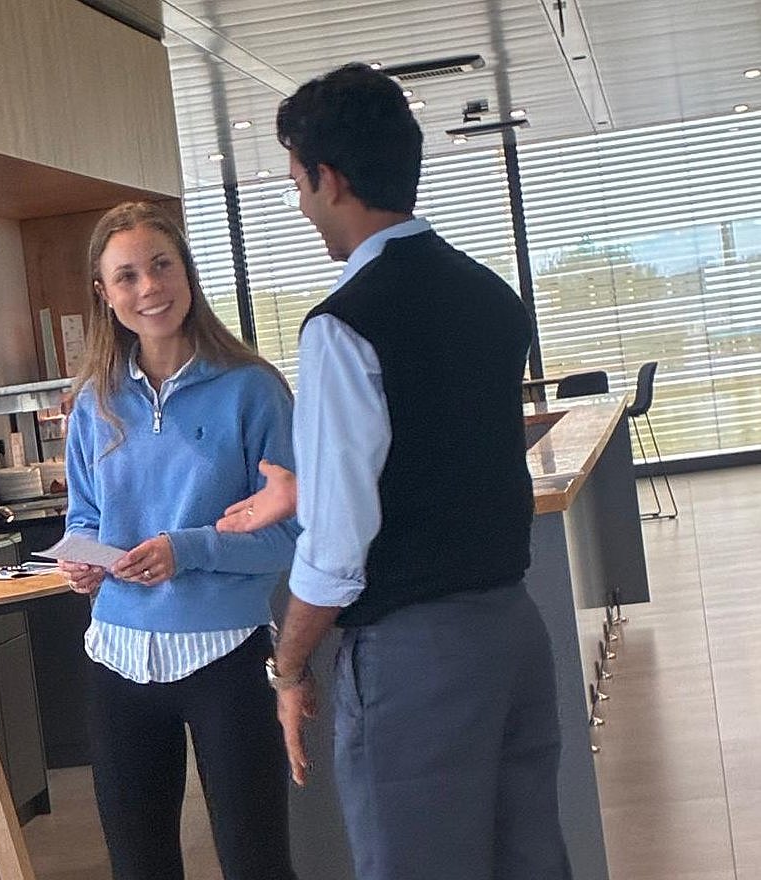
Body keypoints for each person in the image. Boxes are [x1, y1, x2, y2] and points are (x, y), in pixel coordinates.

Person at [218, 64, 572, 880]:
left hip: (416, 660)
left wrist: (289, 666)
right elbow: (439, 456)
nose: (301, 205)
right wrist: (307, 489)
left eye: (298, 184)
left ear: (330, 179)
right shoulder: (491, 296)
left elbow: (338, 548)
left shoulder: (344, 326)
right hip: (513, 633)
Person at [59, 202, 299, 880]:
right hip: (116, 657)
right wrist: (82, 559)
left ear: (188, 273)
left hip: (228, 657)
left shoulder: (253, 390)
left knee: (257, 864)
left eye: (162, 265)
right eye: (127, 276)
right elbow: (83, 518)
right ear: (104, 294)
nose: (149, 288)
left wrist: (185, 549)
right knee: (139, 868)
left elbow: (290, 535)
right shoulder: (93, 402)